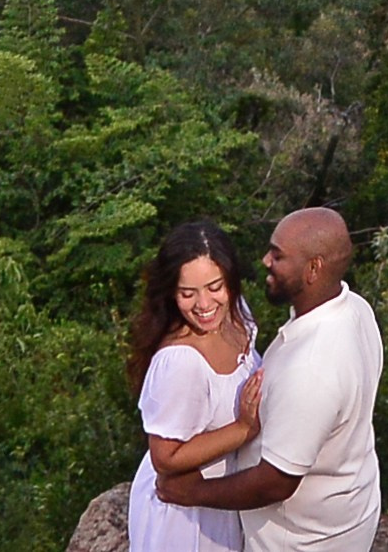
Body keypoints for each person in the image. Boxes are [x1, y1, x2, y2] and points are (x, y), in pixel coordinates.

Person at [154, 207, 385, 552]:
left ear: (313, 269)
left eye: (278, 255)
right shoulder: (354, 308)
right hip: (347, 510)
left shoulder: (313, 368)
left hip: (303, 540)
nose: (265, 260)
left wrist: (193, 492)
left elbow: (276, 482)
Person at [125, 219, 263, 552]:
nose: (204, 305)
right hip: (184, 513)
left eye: (215, 287)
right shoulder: (180, 362)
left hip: (223, 494)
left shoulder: (235, 314)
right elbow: (165, 458)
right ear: (172, 293)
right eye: (188, 293)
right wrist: (244, 428)